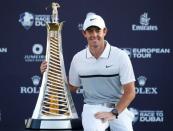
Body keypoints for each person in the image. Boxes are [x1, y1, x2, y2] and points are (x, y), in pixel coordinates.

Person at [40, 12, 136, 131]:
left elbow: (130, 92)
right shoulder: (78, 58)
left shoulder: (120, 56)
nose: (94, 35)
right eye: (90, 31)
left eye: (98, 30)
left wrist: (114, 112)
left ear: (104, 31)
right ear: (84, 33)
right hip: (92, 108)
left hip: (118, 107)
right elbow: (71, 88)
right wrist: (50, 72)